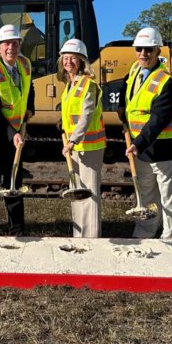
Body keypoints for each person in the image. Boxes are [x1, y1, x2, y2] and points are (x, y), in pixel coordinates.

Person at [118, 27, 172, 240]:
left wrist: (138, 143)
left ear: (157, 51)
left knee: (169, 197)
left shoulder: (165, 83)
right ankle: (144, 233)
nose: (143, 54)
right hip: (142, 149)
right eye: (139, 49)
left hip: (164, 148)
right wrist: (121, 110)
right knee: (146, 194)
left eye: (148, 50)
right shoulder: (135, 71)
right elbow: (125, 92)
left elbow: (159, 119)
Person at [0, 24, 34, 236]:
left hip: (15, 133)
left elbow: (30, 88)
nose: (11, 47)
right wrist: (13, 133)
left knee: (14, 180)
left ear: (20, 44)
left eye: (15, 42)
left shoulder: (25, 64)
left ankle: (17, 228)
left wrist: (30, 107)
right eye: (6, 43)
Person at [58, 39, 105, 238]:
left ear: (82, 61)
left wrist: (73, 140)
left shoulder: (88, 85)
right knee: (77, 191)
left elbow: (86, 116)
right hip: (75, 146)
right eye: (65, 58)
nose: (68, 61)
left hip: (88, 146)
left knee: (89, 192)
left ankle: (91, 236)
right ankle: (80, 235)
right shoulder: (70, 83)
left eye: (73, 58)